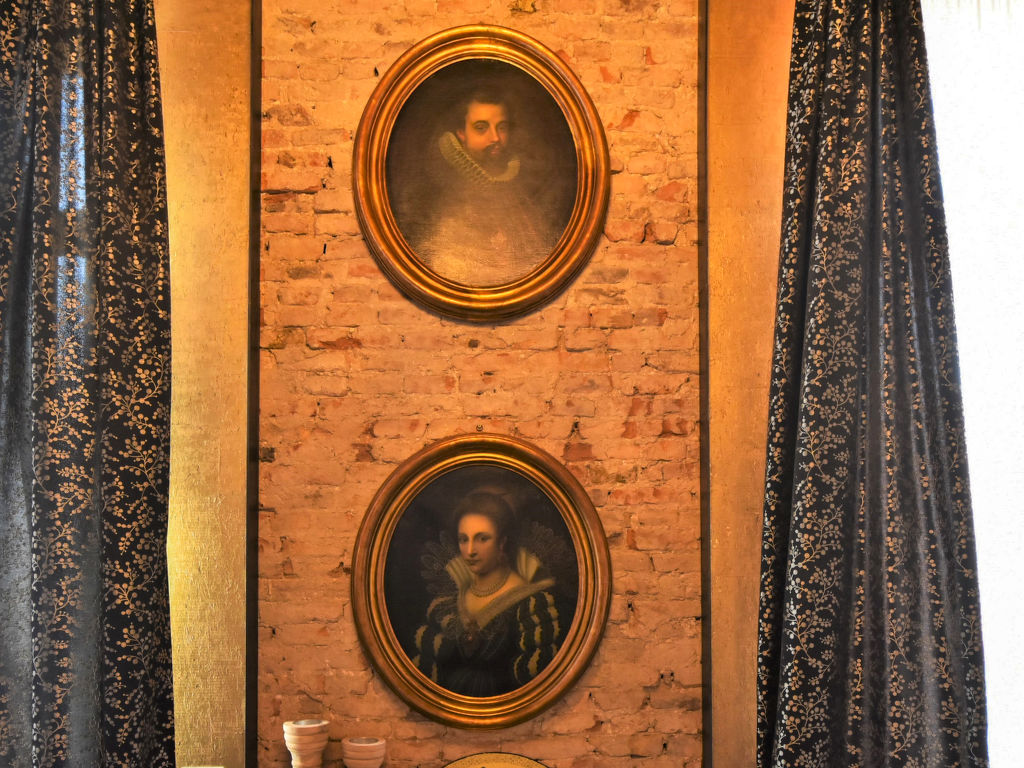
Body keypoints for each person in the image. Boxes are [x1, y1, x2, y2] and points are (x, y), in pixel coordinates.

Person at [412, 491, 564, 696]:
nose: (470, 550)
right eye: (463, 539)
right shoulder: (447, 604)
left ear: (502, 543)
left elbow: (538, 683)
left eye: (482, 538)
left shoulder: (531, 603)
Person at [411, 89, 565, 286]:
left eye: (502, 128)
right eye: (481, 128)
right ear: (461, 134)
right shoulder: (437, 195)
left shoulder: (518, 189)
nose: (495, 138)